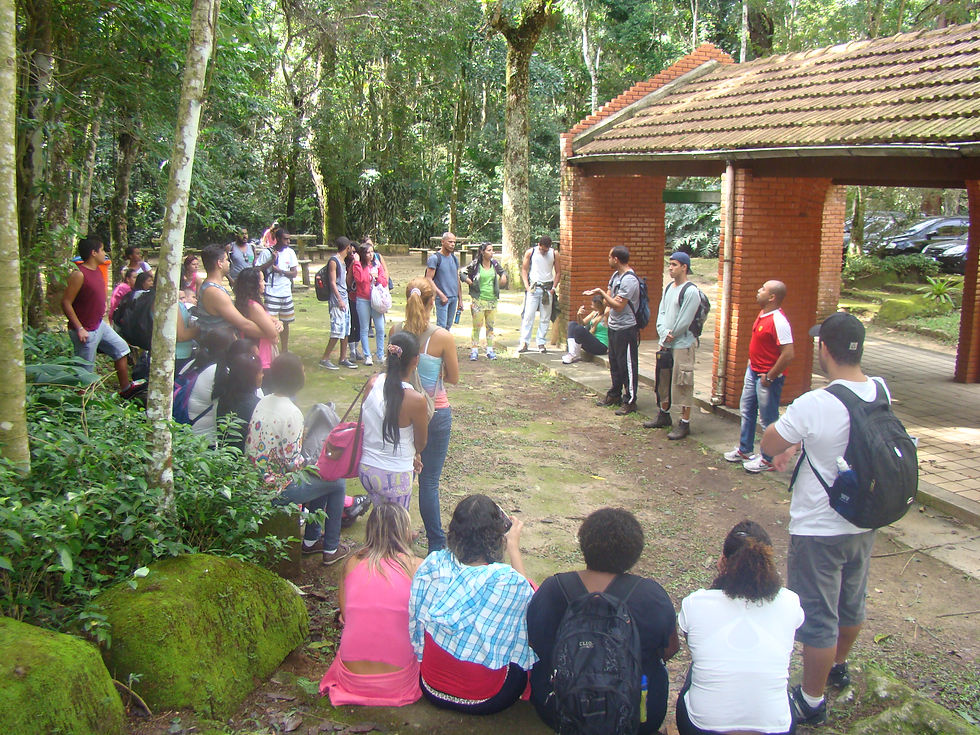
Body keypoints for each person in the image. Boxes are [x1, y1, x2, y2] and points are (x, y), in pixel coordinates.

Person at [760, 312, 882, 726]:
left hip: (819, 527)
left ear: (824, 349)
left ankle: (811, 700)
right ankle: (838, 666)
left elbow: (770, 442)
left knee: (817, 618)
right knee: (852, 601)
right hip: (863, 520)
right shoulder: (879, 390)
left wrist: (788, 440)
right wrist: (801, 444)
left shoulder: (815, 403)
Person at [527, 508, 678, 734]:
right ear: (635, 552)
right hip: (638, 716)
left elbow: (535, 642)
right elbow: (669, 650)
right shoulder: (652, 596)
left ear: (584, 545)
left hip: (559, 709)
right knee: (657, 670)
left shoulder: (553, 589)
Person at [409, 494, 535, 714]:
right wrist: (513, 548)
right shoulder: (508, 582)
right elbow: (532, 611)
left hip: (430, 686)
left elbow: (416, 625)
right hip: (485, 698)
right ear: (497, 537)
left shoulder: (433, 564)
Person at [675, 520, 804, 735]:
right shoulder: (790, 601)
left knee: (698, 666)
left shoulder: (696, 603)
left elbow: (693, 642)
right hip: (777, 729)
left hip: (703, 728)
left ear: (722, 562)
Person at [247, 352, 352, 565]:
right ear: (296, 378)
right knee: (337, 482)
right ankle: (331, 548)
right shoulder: (292, 413)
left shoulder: (263, 401)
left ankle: (312, 540)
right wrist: (315, 464)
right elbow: (293, 464)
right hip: (275, 489)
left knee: (322, 478)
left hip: (253, 480)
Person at [319, 503, 423, 706]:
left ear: (370, 530)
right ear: (404, 531)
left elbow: (346, 616)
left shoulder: (351, 562)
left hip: (351, 678)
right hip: (399, 681)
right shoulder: (417, 566)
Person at [390, 278, 459, 552]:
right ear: (431, 303)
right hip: (436, 412)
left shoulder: (395, 331)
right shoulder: (442, 337)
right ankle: (436, 544)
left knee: (403, 477)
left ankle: (397, 535)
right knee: (429, 482)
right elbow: (453, 378)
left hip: (401, 410)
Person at [724, 280, 795, 473]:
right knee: (747, 410)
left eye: (763, 289)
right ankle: (745, 449)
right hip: (753, 371)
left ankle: (769, 459)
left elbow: (788, 354)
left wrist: (770, 376)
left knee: (768, 419)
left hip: (767, 378)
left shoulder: (779, 321)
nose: (758, 291)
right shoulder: (763, 313)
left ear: (772, 297)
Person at [61, 237, 143, 398]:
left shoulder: (98, 270)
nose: (104, 253)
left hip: (99, 324)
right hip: (86, 330)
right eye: (102, 250)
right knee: (85, 372)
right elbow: (66, 302)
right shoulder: (79, 274)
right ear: (93, 252)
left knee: (121, 349)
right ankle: (82, 402)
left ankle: (125, 389)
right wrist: (79, 328)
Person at [358, 332, 429, 509]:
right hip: (396, 473)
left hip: (367, 469)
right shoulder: (416, 400)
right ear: (416, 360)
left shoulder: (372, 383)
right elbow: (420, 443)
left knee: (379, 516)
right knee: (395, 523)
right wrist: (415, 453)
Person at [645, 251, 701, 439]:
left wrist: (672, 334)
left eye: (674, 264)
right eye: (669, 264)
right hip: (666, 343)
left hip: (683, 344)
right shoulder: (669, 287)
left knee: (683, 381)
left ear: (684, 267)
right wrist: (662, 333)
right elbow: (661, 312)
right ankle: (664, 413)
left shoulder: (691, 291)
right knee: (663, 379)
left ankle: (684, 422)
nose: (670, 268)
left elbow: (685, 319)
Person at [587, 245, 640, 416]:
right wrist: (607, 298)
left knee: (627, 365)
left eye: (609, 257)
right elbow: (607, 301)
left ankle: (630, 400)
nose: (608, 260)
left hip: (626, 328)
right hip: (614, 326)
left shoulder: (629, 280)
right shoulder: (615, 276)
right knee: (615, 363)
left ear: (616, 259)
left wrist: (602, 293)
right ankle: (615, 394)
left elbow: (618, 305)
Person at [190, 337, 258, 441]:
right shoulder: (222, 375)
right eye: (253, 358)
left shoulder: (220, 369)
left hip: (208, 434)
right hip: (204, 439)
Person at [195, 244, 264, 339]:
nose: (229, 263)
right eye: (227, 260)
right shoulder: (215, 292)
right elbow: (244, 324)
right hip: (218, 346)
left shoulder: (209, 287)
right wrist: (270, 334)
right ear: (219, 263)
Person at [461, 242, 508, 361]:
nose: (492, 252)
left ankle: (490, 350)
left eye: (492, 250)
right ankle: (474, 350)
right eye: (489, 250)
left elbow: (503, 272)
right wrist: (469, 281)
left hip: (492, 300)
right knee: (477, 326)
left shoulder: (495, 263)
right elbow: (462, 273)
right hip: (478, 299)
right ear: (482, 252)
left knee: (490, 326)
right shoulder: (476, 264)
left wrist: (503, 276)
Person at [255, 227, 298, 353]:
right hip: (271, 292)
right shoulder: (266, 253)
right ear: (277, 239)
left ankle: (284, 349)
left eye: (289, 239)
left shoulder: (290, 252)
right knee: (270, 323)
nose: (288, 242)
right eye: (285, 239)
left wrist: (281, 271)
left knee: (285, 323)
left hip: (286, 292)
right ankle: (271, 350)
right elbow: (256, 269)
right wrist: (271, 261)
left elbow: (294, 273)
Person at [214, 346, 264, 452]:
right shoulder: (256, 406)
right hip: (244, 458)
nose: (262, 376)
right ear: (251, 377)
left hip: (224, 455)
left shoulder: (224, 397)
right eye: (260, 372)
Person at [318, 237, 358, 370]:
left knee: (345, 330)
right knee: (337, 331)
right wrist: (339, 300)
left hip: (344, 299)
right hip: (337, 301)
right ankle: (325, 358)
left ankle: (343, 358)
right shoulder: (334, 261)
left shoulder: (343, 261)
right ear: (347, 247)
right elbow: (332, 282)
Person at [233, 267, 283, 370]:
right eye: (262, 280)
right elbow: (273, 333)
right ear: (253, 285)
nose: (265, 283)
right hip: (261, 359)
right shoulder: (253, 306)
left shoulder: (246, 303)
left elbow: (269, 319)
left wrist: (278, 322)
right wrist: (274, 330)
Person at [518, 235, 561, 354]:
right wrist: (527, 286)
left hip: (547, 288)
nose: (544, 252)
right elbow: (524, 269)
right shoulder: (531, 252)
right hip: (534, 287)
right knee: (528, 316)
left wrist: (553, 288)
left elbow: (558, 272)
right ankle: (524, 342)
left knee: (545, 317)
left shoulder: (554, 254)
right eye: (542, 249)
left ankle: (541, 342)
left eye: (546, 250)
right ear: (539, 245)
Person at [351, 241, 389, 365]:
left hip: (376, 300)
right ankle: (367, 355)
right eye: (368, 252)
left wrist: (377, 277)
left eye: (372, 252)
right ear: (363, 254)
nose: (371, 254)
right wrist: (357, 263)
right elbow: (360, 279)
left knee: (380, 328)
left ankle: (380, 354)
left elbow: (384, 281)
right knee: (364, 328)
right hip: (363, 299)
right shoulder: (358, 265)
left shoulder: (377, 264)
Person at [425, 231, 461, 330]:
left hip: (453, 297)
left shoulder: (454, 258)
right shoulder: (435, 258)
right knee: (441, 327)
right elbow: (428, 278)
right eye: (450, 242)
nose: (453, 244)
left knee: (448, 326)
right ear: (442, 242)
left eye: (454, 242)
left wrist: (460, 299)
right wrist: (441, 295)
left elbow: (457, 279)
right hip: (442, 299)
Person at [562, 292, 609, 364]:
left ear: (599, 306)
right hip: (591, 341)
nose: (592, 307)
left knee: (579, 329)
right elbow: (582, 323)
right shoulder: (594, 313)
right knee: (572, 324)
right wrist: (579, 315)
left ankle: (574, 354)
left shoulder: (606, 316)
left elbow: (591, 331)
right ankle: (572, 353)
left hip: (601, 346)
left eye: (594, 306)